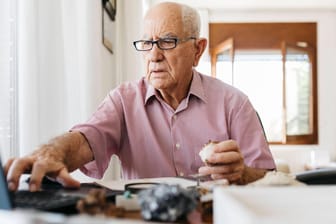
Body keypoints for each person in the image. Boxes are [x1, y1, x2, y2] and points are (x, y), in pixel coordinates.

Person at [5, 1, 276, 192]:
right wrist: (51, 152)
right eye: (147, 43)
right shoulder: (124, 100)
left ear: (197, 50)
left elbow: (271, 180)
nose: (154, 55)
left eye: (167, 42)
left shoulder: (234, 103)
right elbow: (84, 141)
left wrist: (243, 173)